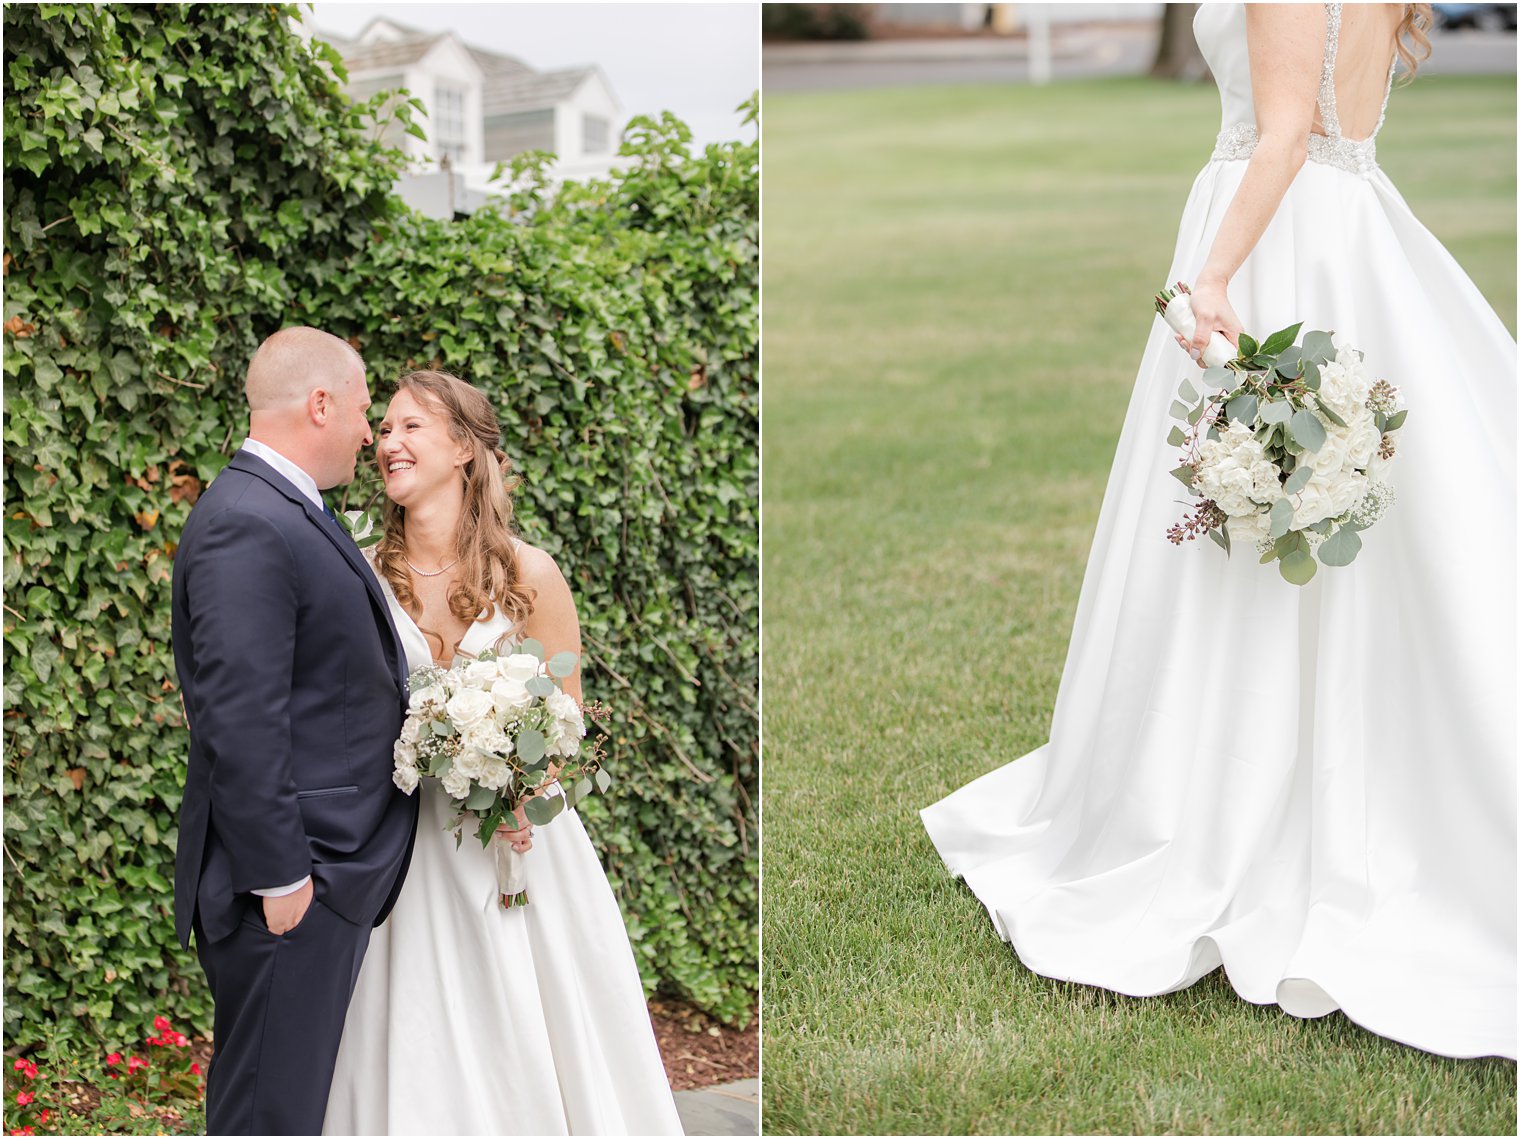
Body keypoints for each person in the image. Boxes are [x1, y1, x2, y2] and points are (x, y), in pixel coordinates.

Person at [922, 3, 1516, 1060]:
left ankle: (1233, 804)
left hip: (1274, 239)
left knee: (1261, 512)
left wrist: (1210, 275)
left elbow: (1283, 130)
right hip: (1348, 233)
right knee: (1328, 520)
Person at [322, 370, 684, 1135]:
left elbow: (568, 719)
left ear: (461, 447)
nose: (389, 443)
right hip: (400, 844)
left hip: (516, 847)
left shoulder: (530, 572)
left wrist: (526, 788)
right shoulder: (353, 567)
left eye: (410, 426)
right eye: (383, 429)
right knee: (413, 1028)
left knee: (525, 1023)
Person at [171, 327, 419, 1134]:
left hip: (311, 874)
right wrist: (283, 879)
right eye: (359, 410)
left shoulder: (283, 509)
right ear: (319, 404)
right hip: (289, 882)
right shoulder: (249, 519)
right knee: (267, 1114)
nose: (365, 430)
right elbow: (239, 716)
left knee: (286, 1106)